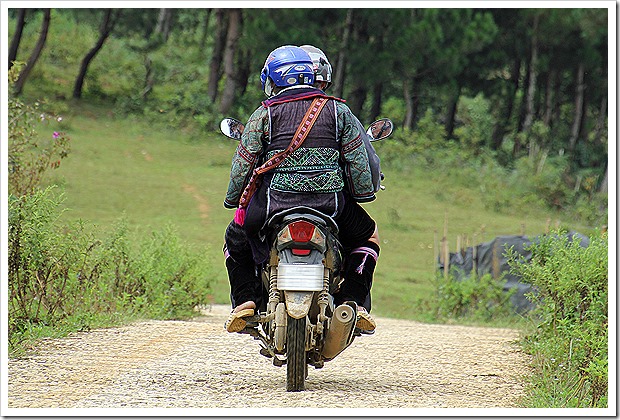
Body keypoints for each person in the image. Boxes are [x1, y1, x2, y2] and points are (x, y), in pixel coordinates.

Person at [223, 45, 380, 334]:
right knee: (368, 236)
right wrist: (362, 194)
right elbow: (358, 163)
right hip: (330, 207)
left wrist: (233, 199)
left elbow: (242, 165)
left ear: (273, 80)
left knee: (235, 237)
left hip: (273, 207)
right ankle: (354, 302)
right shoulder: (338, 111)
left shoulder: (264, 114)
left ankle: (245, 301)